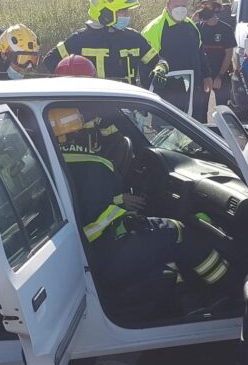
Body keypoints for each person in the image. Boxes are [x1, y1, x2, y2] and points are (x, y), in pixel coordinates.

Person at [46, 107, 231, 299]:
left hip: (82, 255)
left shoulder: (47, 162)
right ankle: (227, 288)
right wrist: (126, 213)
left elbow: (81, 204)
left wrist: (118, 201)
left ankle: (180, 295)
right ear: (79, 130)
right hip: (104, 252)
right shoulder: (95, 165)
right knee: (177, 231)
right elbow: (97, 222)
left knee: (161, 245)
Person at [42, 0, 170, 89]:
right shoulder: (80, 40)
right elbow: (50, 61)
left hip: (126, 110)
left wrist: (160, 69)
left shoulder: (133, 39)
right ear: (106, 13)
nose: (127, 15)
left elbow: (159, 60)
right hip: (91, 113)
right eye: (122, 11)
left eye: (127, 11)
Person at [142, 0, 213, 122]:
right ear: (167, 5)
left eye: (183, 6)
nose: (180, 9)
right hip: (166, 97)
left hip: (193, 92)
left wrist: (207, 75)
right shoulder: (154, 29)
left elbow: (200, 51)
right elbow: (145, 64)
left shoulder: (191, 26)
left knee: (197, 132)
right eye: (176, 6)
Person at [196, 0, 236, 110]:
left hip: (221, 75)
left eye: (208, 6)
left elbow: (229, 54)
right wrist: (194, 21)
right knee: (200, 111)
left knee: (223, 111)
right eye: (203, 6)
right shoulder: (197, 28)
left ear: (216, 8)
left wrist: (220, 76)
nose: (205, 9)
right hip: (203, 76)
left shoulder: (226, 29)